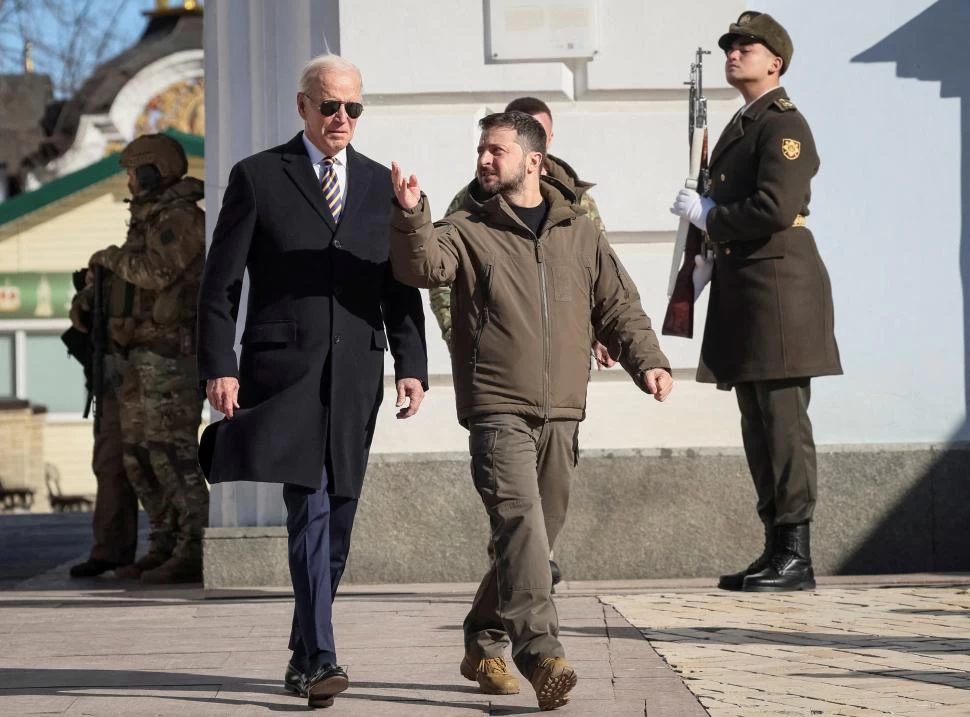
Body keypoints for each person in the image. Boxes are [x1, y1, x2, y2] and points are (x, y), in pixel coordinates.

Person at [389, 111, 673, 711]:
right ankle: (542, 654)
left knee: (534, 539)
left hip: (563, 410)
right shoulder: (467, 228)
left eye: (496, 151)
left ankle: (483, 638)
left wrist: (647, 361)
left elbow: (618, 305)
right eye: (481, 151)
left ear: (533, 161)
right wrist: (412, 214)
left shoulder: (580, 231)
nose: (484, 160)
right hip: (496, 407)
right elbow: (421, 267)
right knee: (520, 524)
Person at [196, 54, 428, 709]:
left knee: (342, 514)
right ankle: (323, 656)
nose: (342, 119)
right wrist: (219, 364)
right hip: (284, 373)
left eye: (353, 108)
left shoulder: (383, 184)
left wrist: (411, 363)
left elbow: (399, 286)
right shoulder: (259, 177)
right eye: (330, 106)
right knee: (313, 506)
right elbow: (221, 285)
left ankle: (302, 653)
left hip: (357, 374)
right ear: (302, 107)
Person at [670, 11, 842, 592]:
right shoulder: (742, 126)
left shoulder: (783, 126)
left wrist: (712, 218)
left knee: (783, 423)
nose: (735, 52)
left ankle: (797, 551)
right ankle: (775, 547)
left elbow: (773, 206)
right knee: (757, 423)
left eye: (748, 46)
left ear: (777, 61)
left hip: (779, 289)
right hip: (748, 288)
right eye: (731, 46)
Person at [431, 98, 614, 591]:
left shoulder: (576, 205)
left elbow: (596, 280)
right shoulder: (471, 204)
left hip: (561, 382)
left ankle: (504, 602)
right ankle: (536, 632)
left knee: (548, 500)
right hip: (499, 377)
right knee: (515, 506)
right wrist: (464, 336)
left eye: (546, 133)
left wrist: (599, 333)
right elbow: (442, 277)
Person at [70, 134, 208, 584]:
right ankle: (165, 543)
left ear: (153, 171)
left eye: (133, 171)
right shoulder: (146, 221)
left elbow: (157, 273)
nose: (128, 181)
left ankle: (194, 547)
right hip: (139, 359)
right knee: (139, 456)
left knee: (171, 454)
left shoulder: (181, 218)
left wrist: (108, 259)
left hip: (172, 357)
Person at [66, 273, 138, 579]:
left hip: (158, 382)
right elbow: (80, 316)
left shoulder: (151, 264)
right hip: (114, 383)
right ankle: (110, 550)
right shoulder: (111, 271)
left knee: (160, 468)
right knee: (109, 465)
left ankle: (178, 548)